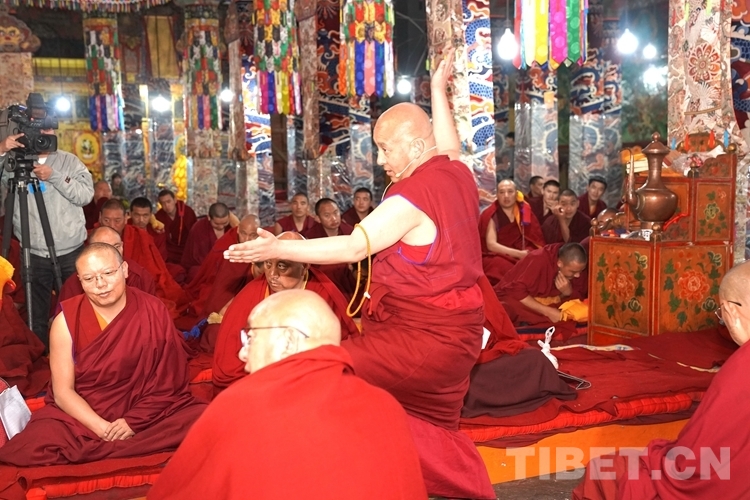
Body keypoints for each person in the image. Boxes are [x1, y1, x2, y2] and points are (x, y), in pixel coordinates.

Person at [224, 48, 494, 499]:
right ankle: (413, 482)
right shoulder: (457, 174)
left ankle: (306, 469)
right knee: (429, 425)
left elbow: (352, 246)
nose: (381, 159)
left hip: (422, 340)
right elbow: (448, 145)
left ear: (415, 148)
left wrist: (277, 246)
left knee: (328, 367)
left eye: (386, 148)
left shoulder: (410, 199)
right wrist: (438, 90)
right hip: (458, 333)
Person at [149, 290, 426, 500]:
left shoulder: (243, 404)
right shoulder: (385, 405)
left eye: (251, 337)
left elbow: (178, 491)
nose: (242, 353)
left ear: (289, 341)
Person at [0, 243, 206, 466]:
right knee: (33, 444)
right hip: (86, 415)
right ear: (79, 281)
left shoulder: (153, 309)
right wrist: (103, 428)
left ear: (124, 270)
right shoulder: (66, 321)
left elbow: (169, 381)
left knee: (203, 417)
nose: (100, 284)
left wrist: (132, 422)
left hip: (146, 412)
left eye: (108, 273)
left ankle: (116, 445)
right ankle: (128, 445)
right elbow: (62, 392)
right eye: (89, 278)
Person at [572, 261, 750, 500]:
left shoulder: (741, 368)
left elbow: (694, 461)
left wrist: (658, 457)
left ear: (731, 311)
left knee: (603, 470)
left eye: (721, 315)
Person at [212, 232, 360, 389]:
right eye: (268, 264)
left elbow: (338, 347)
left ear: (304, 267)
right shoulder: (252, 294)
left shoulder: (323, 294)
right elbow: (228, 365)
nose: (272, 274)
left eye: (282, 266)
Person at [0, 129, 94, 348]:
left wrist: (55, 176)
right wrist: (2, 149)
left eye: (48, 127)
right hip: (32, 252)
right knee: (37, 316)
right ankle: (41, 356)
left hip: (71, 252)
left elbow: (85, 195)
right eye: (37, 127)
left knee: (78, 310)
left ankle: (83, 355)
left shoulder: (69, 161)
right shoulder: (15, 161)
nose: (43, 133)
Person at [100, 199, 188, 317]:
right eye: (106, 220)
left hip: (133, 283)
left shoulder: (139, 236)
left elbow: (151, 268)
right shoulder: (92, 237)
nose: (112, 226)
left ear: (125, 218)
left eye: (117, 221)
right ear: (100, 217)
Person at [494, 242, 588, 336]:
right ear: (559, 263)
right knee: (506, 308)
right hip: (519, 299)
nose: (577, 275)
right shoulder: (539, 260)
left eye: (580, 271)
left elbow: (580, 295)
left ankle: (530, 321)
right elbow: (516, 291)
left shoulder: (574, 268)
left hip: (547, 301)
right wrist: (548, 311)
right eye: (573, 272)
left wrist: (568, 292)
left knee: (579, 312)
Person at [185, 214, 261, 319]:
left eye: (252, 235)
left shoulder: (264, 251)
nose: (247, 239)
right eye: (243, 233)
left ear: (259, 235)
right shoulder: (231, 251)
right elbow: (221, 287)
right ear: (238, 230)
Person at [57, 226, 156, 306]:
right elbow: (66, 317)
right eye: (103, 248)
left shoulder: (139, 275)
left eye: (116, 246)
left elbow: (151, 312)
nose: (112, 253)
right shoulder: (74, 283)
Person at [479, 179, 545, 285]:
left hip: (521, 250)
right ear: (497, 195)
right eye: (502, 192)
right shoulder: (491, 214)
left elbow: (533, 237)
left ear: (516, 193)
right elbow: (491, 245)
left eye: (510, 192)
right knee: (501, 266)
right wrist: (518, 254)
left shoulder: (524, 211)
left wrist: (528, 253)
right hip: (499, 254)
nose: (506, 196)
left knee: (538, 260)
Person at [302, 198, 356, 299]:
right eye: (327, 215)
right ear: (318, 218)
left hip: (349, 284)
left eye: (336, 213)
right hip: (324, 285)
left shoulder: (351, 232)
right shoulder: (311, 238)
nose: (334, 218)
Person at [180, 203, 231, 282]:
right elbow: (193, 258)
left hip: (226, 267)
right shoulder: (198, 228)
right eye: (216, 224)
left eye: (224, 223)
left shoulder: (231, 227)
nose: (221, 227)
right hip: (204, 269)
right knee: (195, 273)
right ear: (209, 217)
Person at [155, 189, 197, 265]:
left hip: (186, 248)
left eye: (168, 201)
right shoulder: (159, 216)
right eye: (163, 203)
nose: (166, 206)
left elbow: (194, 233)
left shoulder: (187, 212)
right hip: (170, 250)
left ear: (175, 200)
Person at [129, 197, 168, 262]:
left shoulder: (157, 232)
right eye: (137, 215)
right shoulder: (124, 228)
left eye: (145, 216)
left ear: (150, 215)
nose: (141, 220)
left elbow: (161, 258)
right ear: (130, 214)